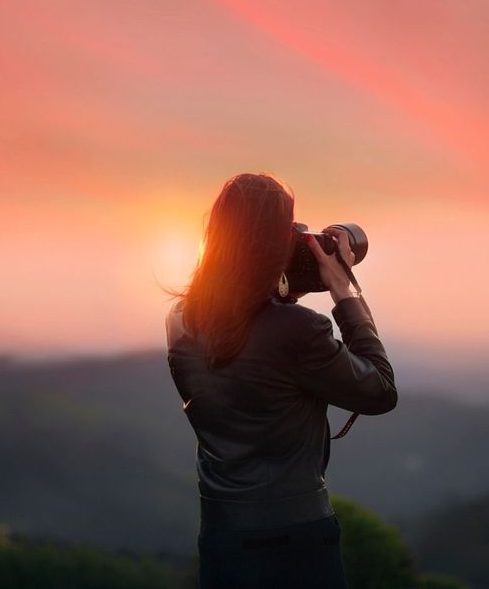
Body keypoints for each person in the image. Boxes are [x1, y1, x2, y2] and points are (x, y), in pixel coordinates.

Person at [164, 172, 397, 589]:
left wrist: (282, 289)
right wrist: (345, 293)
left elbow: (254, 343)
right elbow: (380, 391)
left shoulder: (180, 320)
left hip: (221, 536)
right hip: (296, 538)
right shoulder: (298, 330)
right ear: (273, 242)